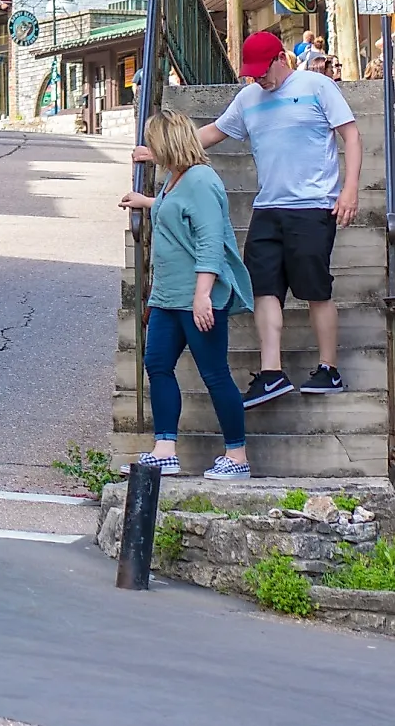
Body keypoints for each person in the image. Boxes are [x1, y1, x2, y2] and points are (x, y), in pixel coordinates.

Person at [178, 28, 362, 407]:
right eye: (253, 73)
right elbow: (214, 132)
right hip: (267, 208)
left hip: (312, 206)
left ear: (282, 59)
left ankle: (329, 368)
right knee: (263, 287)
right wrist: (165, 151)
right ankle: (271, 372)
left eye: (264, 70)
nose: (259, 78)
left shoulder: (316, 85)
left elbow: (352, 136)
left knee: (315, 288)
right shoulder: (248, 98)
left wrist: (350, 189)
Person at [124, 109, 255, 479]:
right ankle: (164, 449)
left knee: (214, 374)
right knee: (158, 364)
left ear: (168, 144)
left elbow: (210, 242)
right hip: (168, 296)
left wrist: (203, 295)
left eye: (153, 143)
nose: (150, 149)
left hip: (198, 296)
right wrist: (146, 201)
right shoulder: (174, 178)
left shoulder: (201, 181)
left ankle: (237, 456)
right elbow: (174, 211)